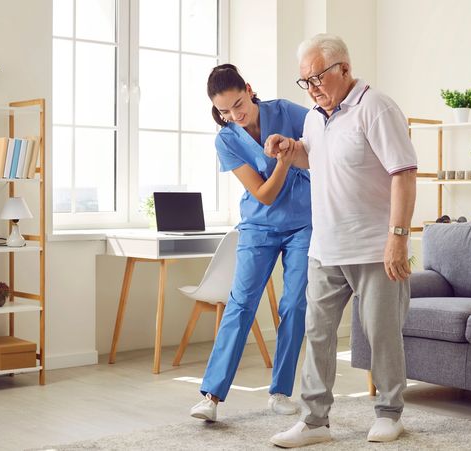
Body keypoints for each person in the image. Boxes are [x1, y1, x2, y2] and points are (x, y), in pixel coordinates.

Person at [265, 34, 417, 447]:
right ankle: (315, 422)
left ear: (344, 69)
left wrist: (398, 239)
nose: (312, 87)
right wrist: (290, 149)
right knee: (317, 333)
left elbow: (403, 174)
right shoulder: (315, 117)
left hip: (374, 246)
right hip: (326, 247)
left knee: (382, 333)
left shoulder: (376, 107)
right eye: (305, 81)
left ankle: (390, 412)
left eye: (318, 77)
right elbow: (317, 158)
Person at [189, 64, 312, 422]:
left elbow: (326, 131)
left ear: (249, 89)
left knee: (293, 305)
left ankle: (280, 392)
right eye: (225, 111)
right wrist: (285, 164)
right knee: (241, 305)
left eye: (238, 104)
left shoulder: (287, 111)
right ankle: (211, 396)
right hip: (259, 226)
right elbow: (263, 194)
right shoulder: (226, 139)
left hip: (304, 224)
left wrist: (296, 150)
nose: (235, 115)